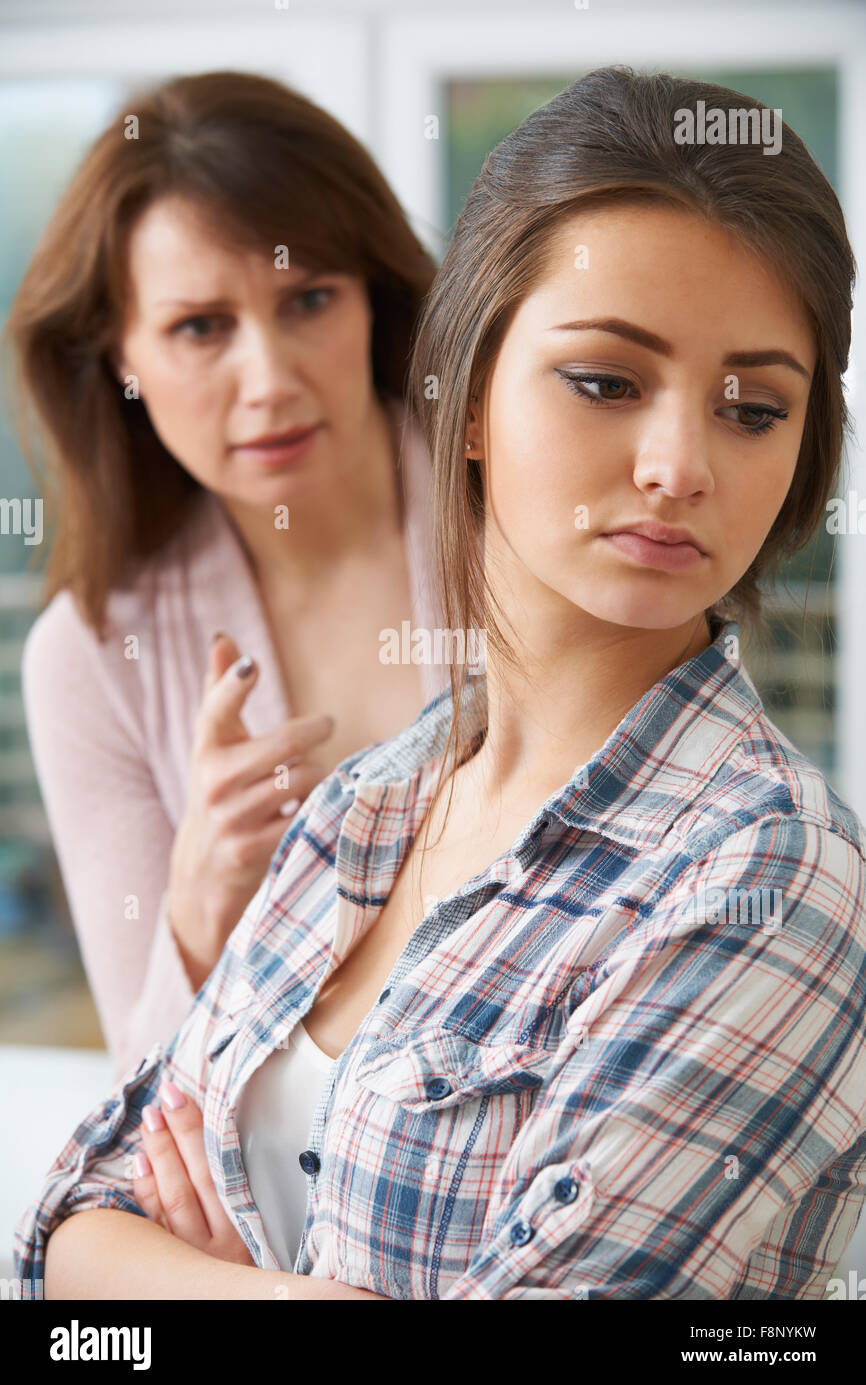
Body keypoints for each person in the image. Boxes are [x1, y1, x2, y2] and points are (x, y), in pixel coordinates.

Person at [15, 65, 866, 1301]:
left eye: (751, 408)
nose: (679, 464)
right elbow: (62, 1229)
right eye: (606, 382)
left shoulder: (767, 875)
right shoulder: (369, 800)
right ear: (466, 400)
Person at [7, 70, 449, 1081]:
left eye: (308, 300)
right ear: (118, 358)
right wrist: (201, 901)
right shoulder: (88, 656)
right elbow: (142, 1106)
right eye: (201, 326)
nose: (270, 379)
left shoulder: (510, 505)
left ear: (371, 302)